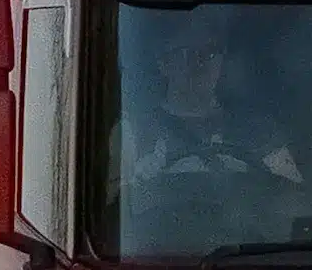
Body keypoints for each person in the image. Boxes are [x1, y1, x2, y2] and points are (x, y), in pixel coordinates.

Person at [126, 12, 303, 186]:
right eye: (188, 53)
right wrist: (144, 180)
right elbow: (116, 199)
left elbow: (294, 197)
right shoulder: (133, 133)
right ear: (163, 62)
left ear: (222, 60)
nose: (200, 63)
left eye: (210, 53)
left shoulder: (260, 132)